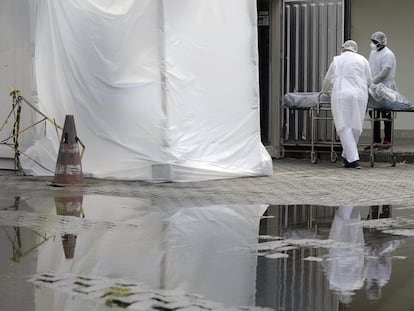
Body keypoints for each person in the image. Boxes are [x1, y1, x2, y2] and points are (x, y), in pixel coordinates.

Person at [322, 40, 372, 169]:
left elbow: (327, 79)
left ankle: (353, 159)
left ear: (343, 48)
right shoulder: (363, 60)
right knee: (356, 126)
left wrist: (324, 91)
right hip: (360, 96)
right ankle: (347, 158)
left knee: (343, 126)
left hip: (342, 95)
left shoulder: (337, 60)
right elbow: (369, 80)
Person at [369, 31, 397, 149]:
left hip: (385, 86)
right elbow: (370, 67)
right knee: (374, 113)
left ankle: (387, 140)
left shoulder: (388, 54)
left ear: (381, 42)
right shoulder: (373, 52)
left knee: (386, 113)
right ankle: (376, 140)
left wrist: (372, 82)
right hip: (374, 86)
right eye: (372, 41)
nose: (373, 44)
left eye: (375, 42)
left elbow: (384, 73)